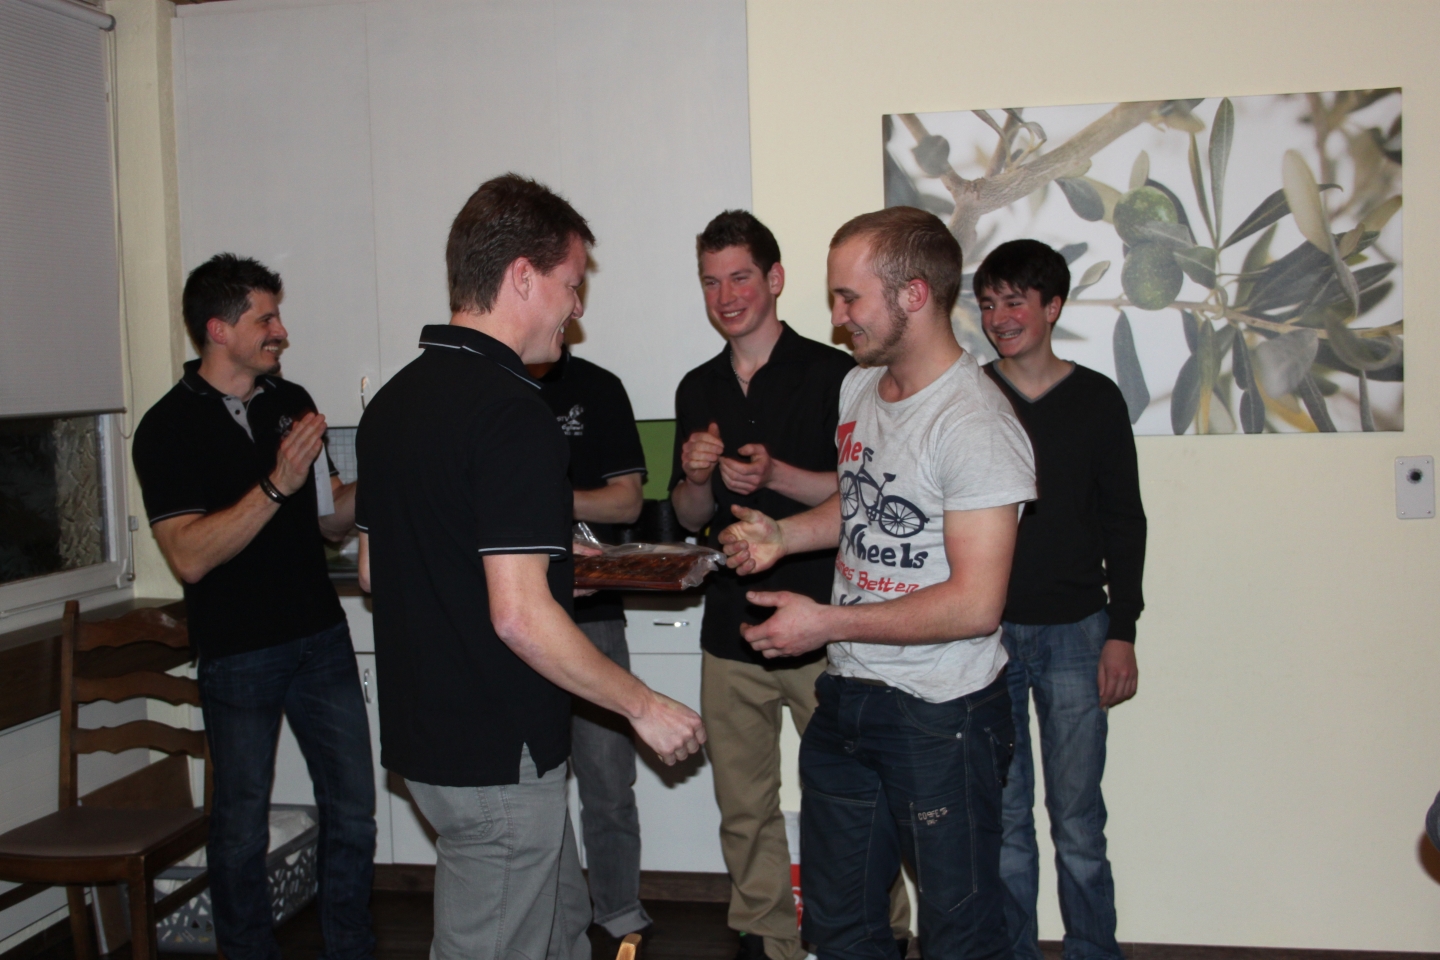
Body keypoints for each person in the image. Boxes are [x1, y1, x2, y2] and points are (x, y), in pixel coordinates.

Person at [354, 174, 705, 960]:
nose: (574, 309)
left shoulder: (394, 404)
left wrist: (543, 563)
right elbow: (517, 616)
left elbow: (381, 568)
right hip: (496, 749)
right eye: (570, 285)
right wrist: (643, 706)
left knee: (558, 932)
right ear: (522, 276)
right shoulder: (514, 411)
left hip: (427, 743)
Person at [719, 206, 1037, 960]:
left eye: (849, 298)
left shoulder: (975, 425)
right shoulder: (860, 390)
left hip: (942, 715)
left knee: (960, 936)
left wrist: (825, 622)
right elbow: (866, 503)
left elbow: (976, 604)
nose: (836, 318)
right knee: (839, 929)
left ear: (914, 295)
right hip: (849, 700)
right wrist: (783, 536)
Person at [133, 254, 375, 960]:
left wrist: (384, 473)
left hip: (320, 637)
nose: (281, 331)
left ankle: (350, 950)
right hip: (238, 652)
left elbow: (329, 519)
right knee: (239, 827)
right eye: (265, 318)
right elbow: (189, 555)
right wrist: (276, 484)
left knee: (354, 809)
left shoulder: (291, 400)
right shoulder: (166, 429)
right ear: (218, 329)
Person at [670, 211, 898, 960]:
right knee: (744, 807)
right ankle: (767, 939)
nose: (726, 295)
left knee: (856, 798)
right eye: (711, 281)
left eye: (740, 277)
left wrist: (776, 475)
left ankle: (884, 932)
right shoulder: (697, 385)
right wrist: (696, 476)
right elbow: (690, 515)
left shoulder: (839, 374)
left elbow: (864, 492)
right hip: (728, 627)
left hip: (821, 624)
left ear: (774, 279)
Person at [973, 239, 1147, 960]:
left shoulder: (1098, 399)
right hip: (988, 638)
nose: (999, 318)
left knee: (1078, 823)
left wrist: (1122, 630)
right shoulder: (971, 395)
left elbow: (1125, 520)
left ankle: (1092, 951)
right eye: (988, 304)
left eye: (1015, 301)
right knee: (1005, 826)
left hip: (1080, 633)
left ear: (1052, 306)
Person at [527, 346, 653, 947]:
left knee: (607, 778)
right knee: (531, 785)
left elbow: (627, 501)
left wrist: (538, 495)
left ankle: (619, 906)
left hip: (591, 613)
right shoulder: (490, 386)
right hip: (513, 613)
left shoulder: (598, 387)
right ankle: (554, 912)